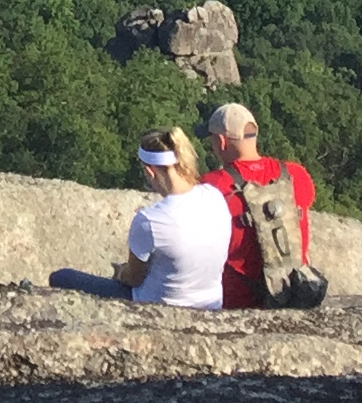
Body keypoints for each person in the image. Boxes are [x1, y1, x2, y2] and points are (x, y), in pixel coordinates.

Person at [50, 129, 229, 305]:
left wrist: (120, 273)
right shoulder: (215, 196)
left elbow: (134, 279)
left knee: (61, 277)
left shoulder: (150, 219)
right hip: (210, 305)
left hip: (159, 307)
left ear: (149, 171)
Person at [205, 101, 319, 309]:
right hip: (295, 295)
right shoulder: (295, 174)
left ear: (221, 142)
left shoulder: (212, 185)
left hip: (238, 303)